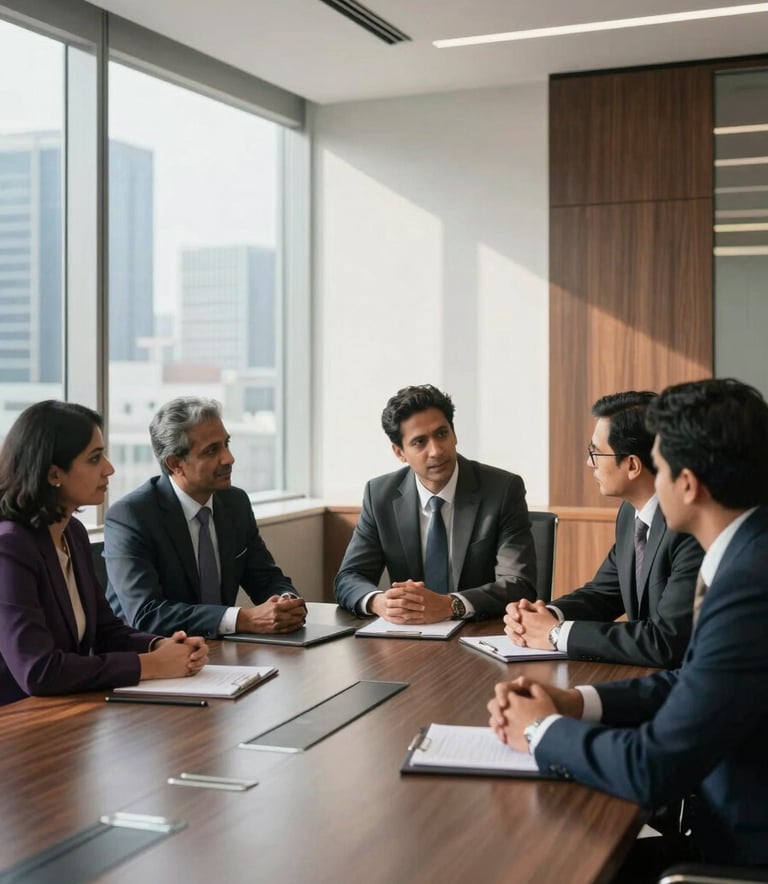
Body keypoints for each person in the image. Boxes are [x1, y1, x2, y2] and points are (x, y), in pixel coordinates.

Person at [488, 378, 768, 871]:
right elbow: (695, 680)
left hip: (736, 851)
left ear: (687, 483)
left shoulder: (749, 583)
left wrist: (540, 731)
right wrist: (576, 702)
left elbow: (651, 767)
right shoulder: (747, 551)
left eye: (658, 465)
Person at [0, 401, 208, 706]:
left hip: (67, 713)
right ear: (54, 473)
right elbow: (38, 671)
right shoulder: (10, 548)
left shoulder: (73, 532)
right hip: (17, 725)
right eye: (95, 458)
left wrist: (162, 645)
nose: (109, 468)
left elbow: (106, 632)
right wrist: (151, 666)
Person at [505, 391, 703, 668]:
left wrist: (555, 634)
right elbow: (605, 593)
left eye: (595, 452)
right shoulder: (630, 514)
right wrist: (546, 614)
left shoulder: (689, 527)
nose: (590, 463)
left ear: (632, 465)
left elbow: (666, 640)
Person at [105, 397, 305, 639]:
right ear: (175, 464)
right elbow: (147, 614)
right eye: (212, 450)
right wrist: (243, 619)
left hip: (218, 653)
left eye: (226, 444)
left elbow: (265, 577)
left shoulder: (235, 503)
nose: (229, 458)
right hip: (152, 659)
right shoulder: (131, 516)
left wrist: (286, 603)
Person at [334, 384, 536, 622]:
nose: (436, 451)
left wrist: (450, 605)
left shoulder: (501, 489)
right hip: (409, 637)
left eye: (442, 434)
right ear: (399, 452)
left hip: (479, 633)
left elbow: (518, 585)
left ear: (454, 433)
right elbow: (349, 577)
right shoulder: (380, 495)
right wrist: (380, 602)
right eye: (419, 442)